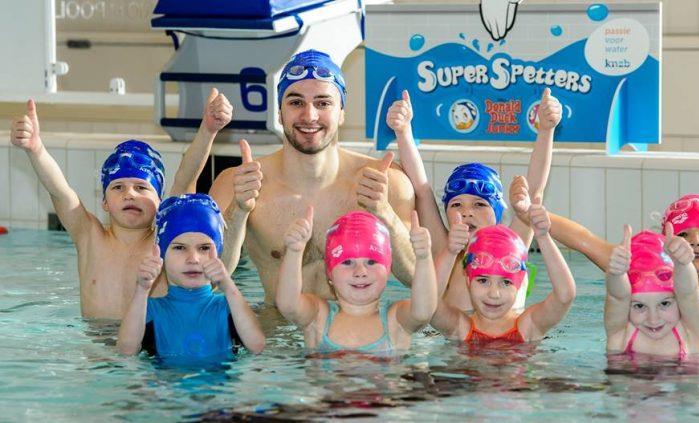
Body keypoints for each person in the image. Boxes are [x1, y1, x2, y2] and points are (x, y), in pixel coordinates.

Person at [209, 49, 416, 304]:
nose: (309, 116)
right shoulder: (236, 184)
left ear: (341, 112)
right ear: (279, 112)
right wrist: (238, 211)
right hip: (278, 335)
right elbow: (210, 278)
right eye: (296, 102)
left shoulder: (386, 182)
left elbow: (415, 278)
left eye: (323, 103)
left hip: (357, 336)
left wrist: (384, 213)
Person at [9, 89, 233, 319]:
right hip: (98, 346)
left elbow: (186, 179)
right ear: (104, 202)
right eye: (118, 187)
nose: (130, 194)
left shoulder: (166, 243)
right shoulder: (90, 238)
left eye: (141, 187)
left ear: (160, 201)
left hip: (149, 346)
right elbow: (60, 192)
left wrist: (207, 130)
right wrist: (36, 150)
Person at [387, 88, 562, 312]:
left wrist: (546, 130)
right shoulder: (445, 250)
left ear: (499, 212)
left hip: (508, 344)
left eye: (480, 204)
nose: (467, 212)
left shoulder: (511, 246)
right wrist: (403, 132)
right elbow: (422, 190)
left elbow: (535, 192)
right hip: (456, 342)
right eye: (457, 205)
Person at [527, 193, 699, 334]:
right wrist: (531, 214)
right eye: (683, 235)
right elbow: (585, 240)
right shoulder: (642, 274)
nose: (694, 242)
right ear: (665, 242)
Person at [117, 194, 265, 361]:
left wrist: (228, 286)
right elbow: (126, 351)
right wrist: (142, 290)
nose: (193, 258)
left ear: (218, 252)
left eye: (204, 248)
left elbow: (257, 346)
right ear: (161, 254)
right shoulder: (152, 308)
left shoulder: (227, 306)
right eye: (180, 248)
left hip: (218, 386)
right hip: (167, 385)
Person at [275, 209, 436, 353]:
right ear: (329, 273)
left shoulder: (395, 319)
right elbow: (288, 305)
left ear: (388, 270)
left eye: (371, 262)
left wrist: (423, 258)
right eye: (347, 262)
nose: (360, 272)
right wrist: (294, 252)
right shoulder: (319, 316)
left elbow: (423, 312)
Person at [429, 197, 576, 345]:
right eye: (483, 280)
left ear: (518, 285)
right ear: (468, 280)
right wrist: (450, 252)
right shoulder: (459, 328)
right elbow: (428, 303)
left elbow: (565, 295)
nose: (494, 294)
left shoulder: (529, 327)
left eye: (506, 282)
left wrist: (543, 237)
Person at [605, 225, 699, 358]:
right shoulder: (621, 333)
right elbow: (617, 296)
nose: (653, 319)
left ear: (679, 301)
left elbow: (689, 293)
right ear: (626, 307)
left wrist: (683, 264)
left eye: (664, 304)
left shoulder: (689, 332)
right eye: (639, 306)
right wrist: (616, 274)